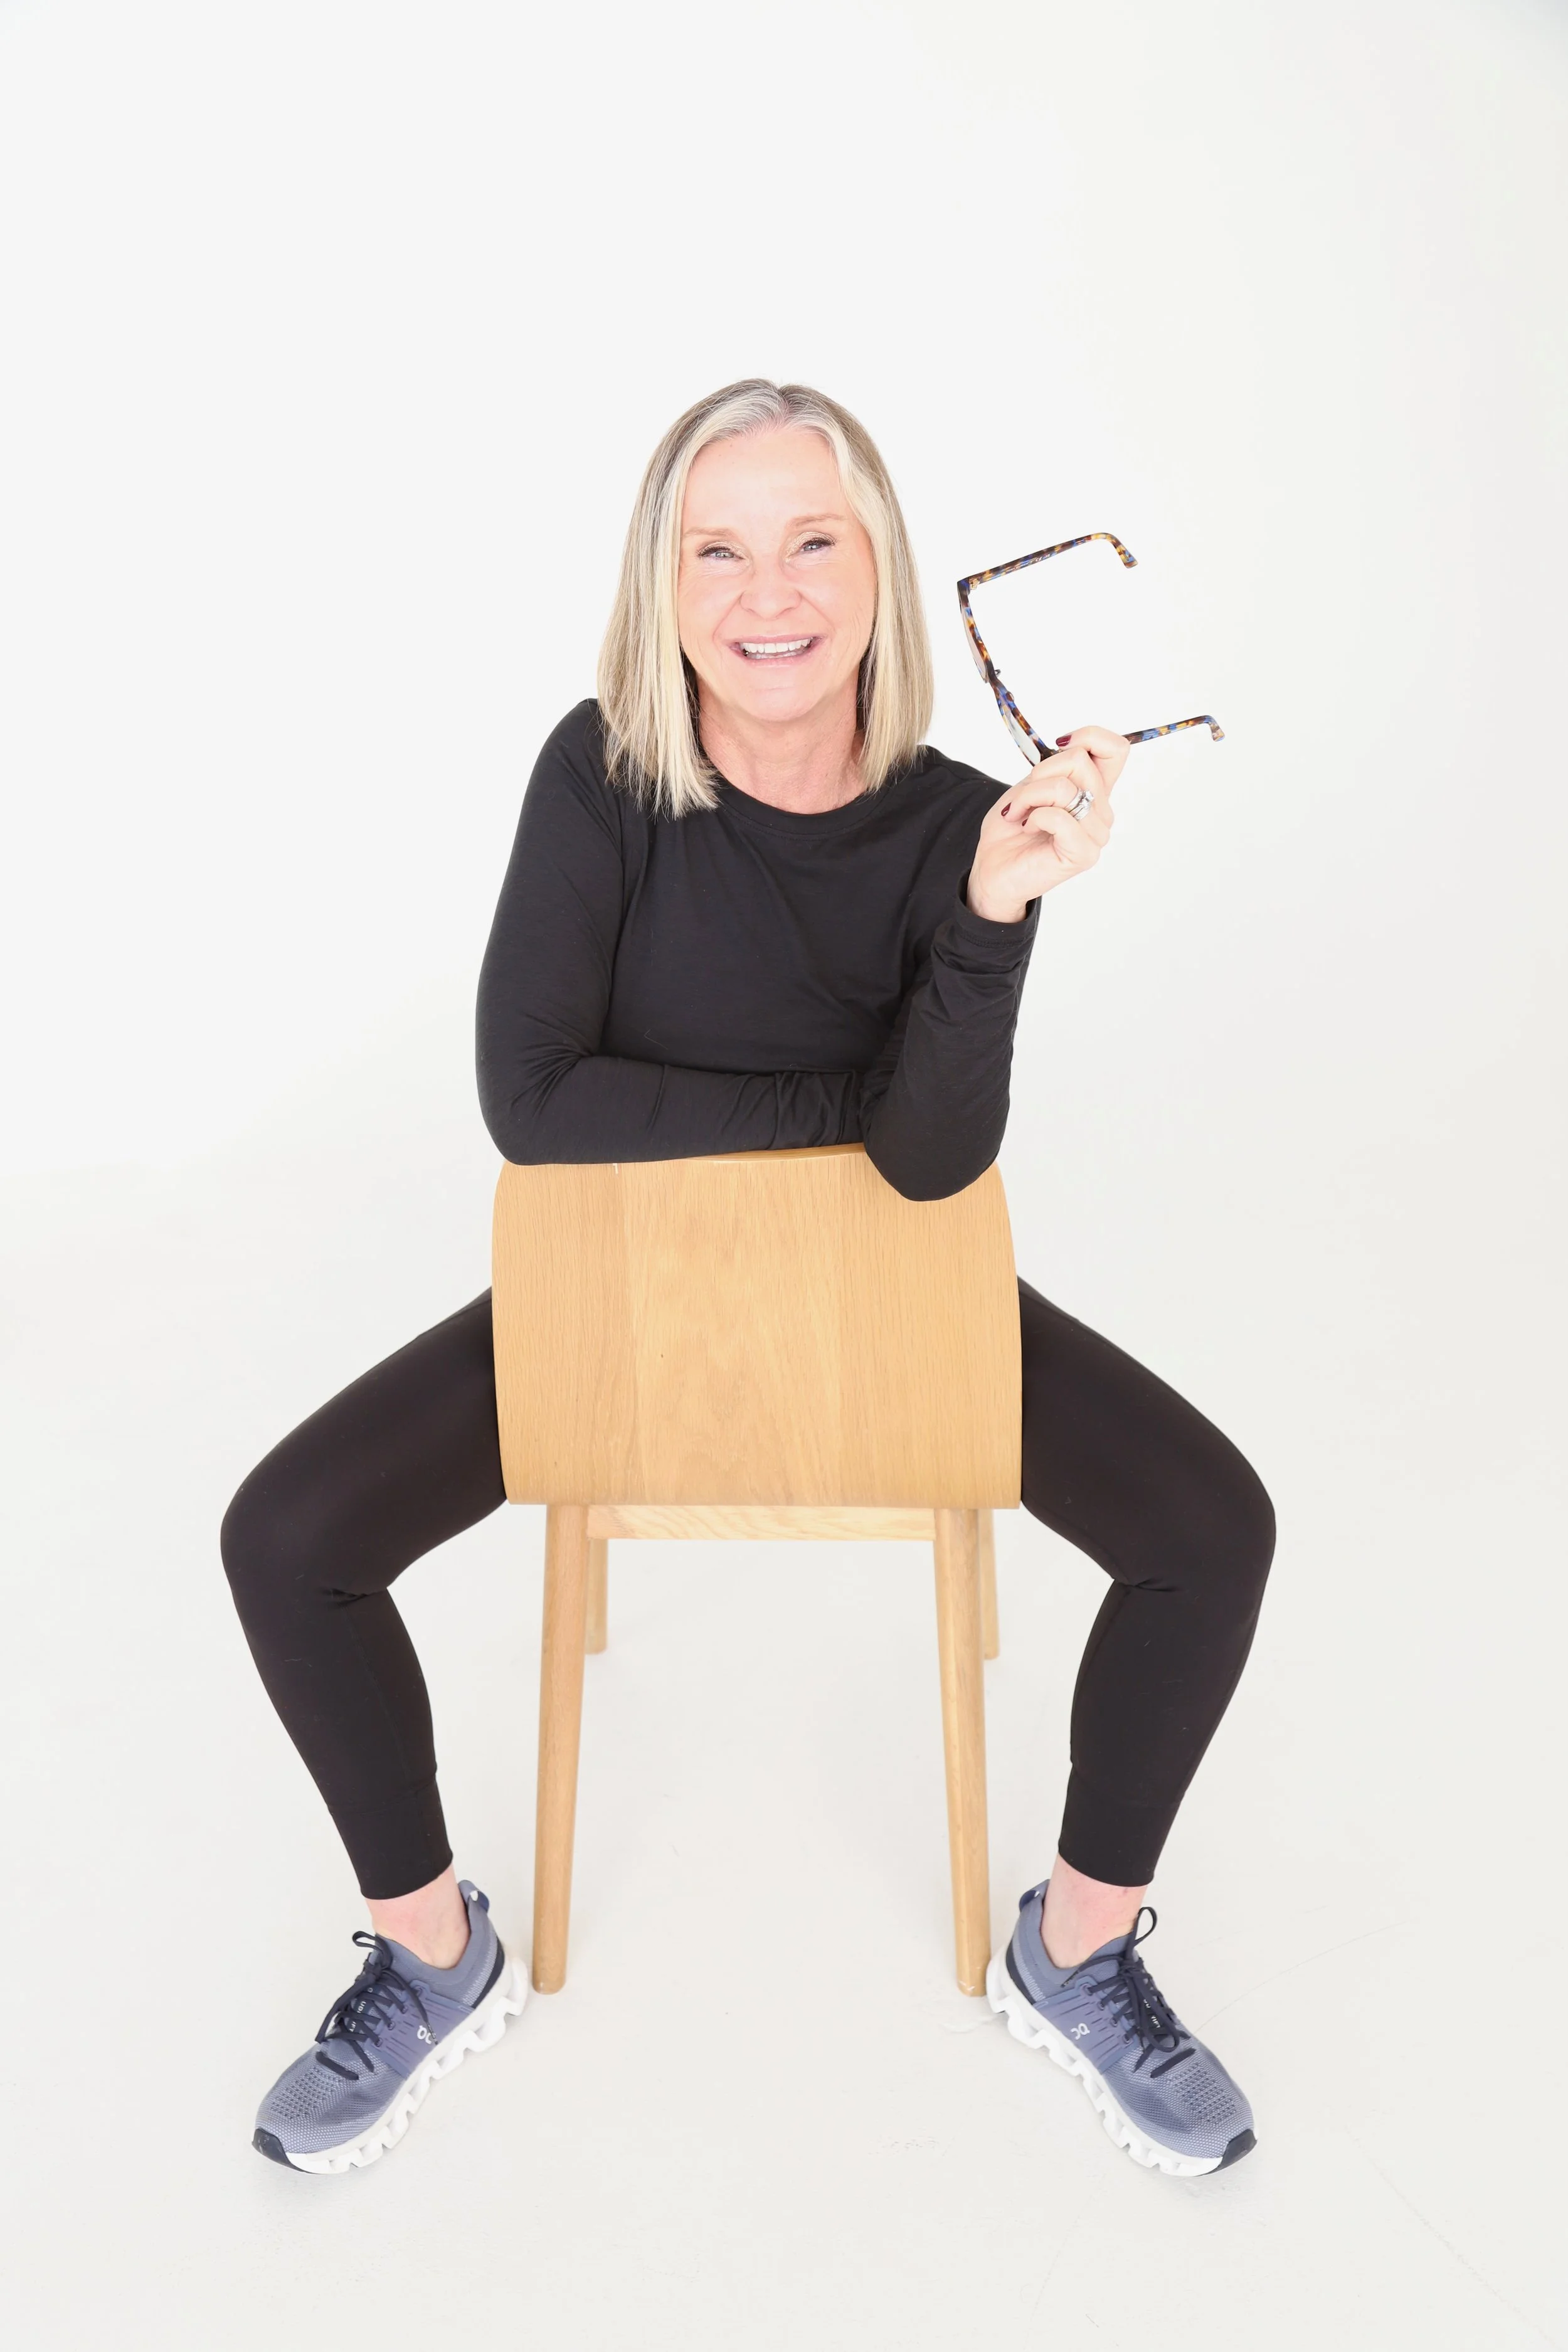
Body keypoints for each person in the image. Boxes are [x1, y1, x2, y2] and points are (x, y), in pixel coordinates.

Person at [222, 378, 1275, 2180]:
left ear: (878, 572)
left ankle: (1080, 1943)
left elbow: (929, 1162)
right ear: (662, 578)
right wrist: (832, 1112)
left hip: (899, 1298)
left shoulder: (962, 824)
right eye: (716, 546)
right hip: (613, 1302)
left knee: (1213, 1526)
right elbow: (533, 1103)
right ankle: (429, 1949)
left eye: (809, 539)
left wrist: (999, 911)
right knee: (284, 1536)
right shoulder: (602, 770)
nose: (763, 589)